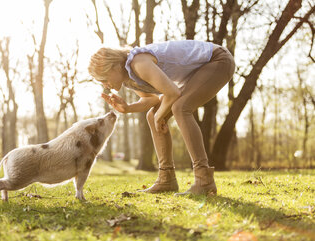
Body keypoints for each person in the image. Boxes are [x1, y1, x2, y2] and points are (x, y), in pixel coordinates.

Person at [88, 40, 235, 195]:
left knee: (180, 108)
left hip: (218, 60)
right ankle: (166, 179)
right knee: (152, 115)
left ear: (115, 67)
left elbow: (173, 93)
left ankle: (204, 181)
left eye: (104, 78)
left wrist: (160, 116)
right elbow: (150, 100)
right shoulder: (129, 78)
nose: (105, 85)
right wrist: (127, 108)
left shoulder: (138, 63)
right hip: (198, 72)